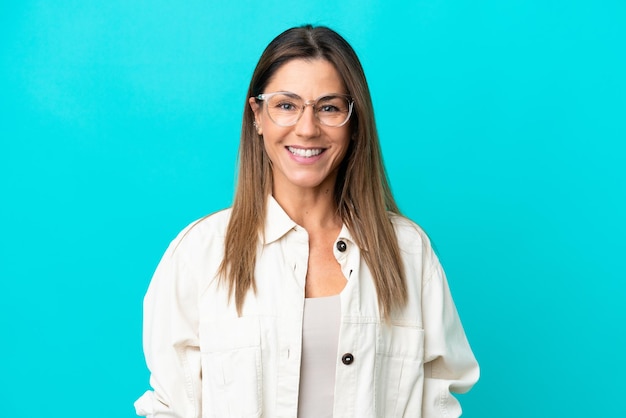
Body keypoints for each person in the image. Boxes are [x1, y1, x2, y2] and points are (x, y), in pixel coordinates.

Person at [134, 24, 479, 418]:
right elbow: (171, 406)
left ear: (354, 123)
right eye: (286, 105)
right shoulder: (199, 253)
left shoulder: (408, 253)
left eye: (329, 107)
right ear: (257, 117)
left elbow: (439, 398)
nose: (308, 127)